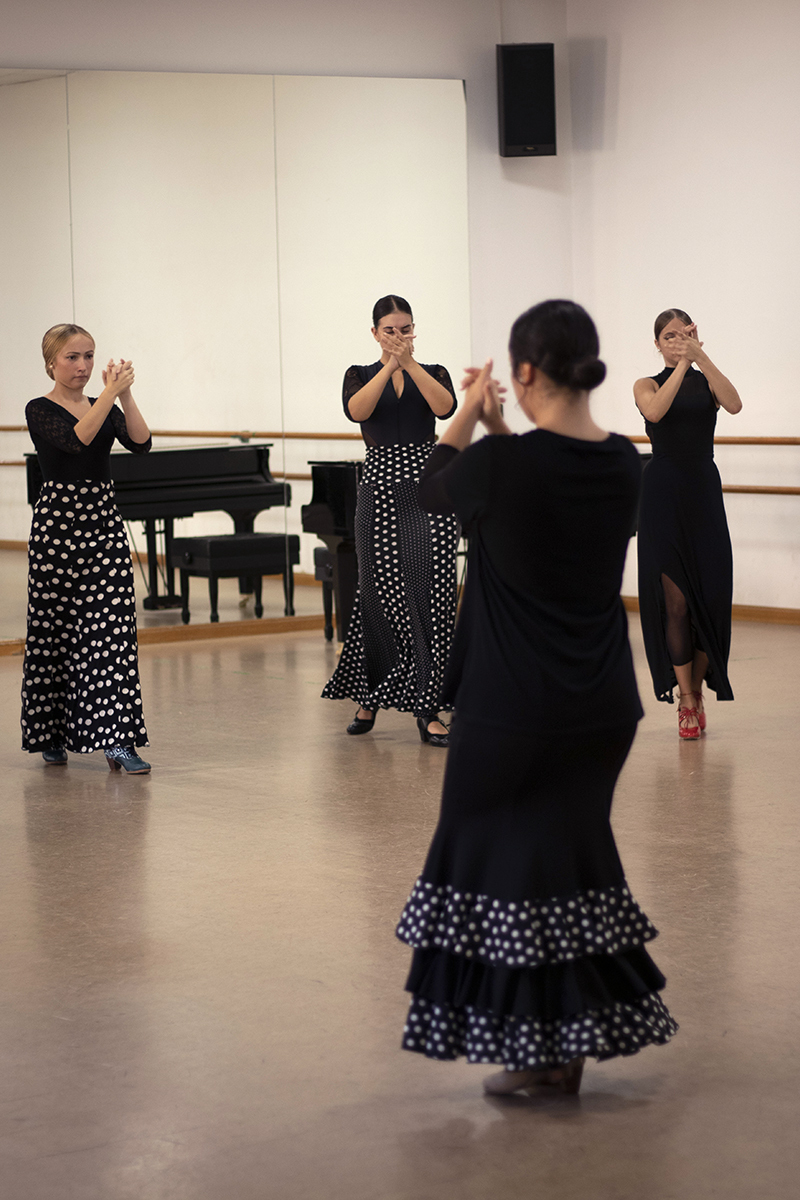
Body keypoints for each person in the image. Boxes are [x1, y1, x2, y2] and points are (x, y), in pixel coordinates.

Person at [396, 300, 678, 1096]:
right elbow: (539, 490)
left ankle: (534, 1051)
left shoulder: (500, 464)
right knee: (566, 866)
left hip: (513, 709)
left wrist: (469, 414)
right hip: (600, 706)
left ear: (522, 372)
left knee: (498, 869)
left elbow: (429, 491)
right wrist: (499, 427)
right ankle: (561, 1048)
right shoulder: (623, 462)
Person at [321, 295, 459, 746]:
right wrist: (389, 365)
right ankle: (369, 697)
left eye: (406, 329)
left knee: (432, 593)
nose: (400, 337)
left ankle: (429, 706)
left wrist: (410, 364)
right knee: (377, 593)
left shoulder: (434, 371)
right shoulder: (359, 374)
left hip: (428, 485)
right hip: (379, 486)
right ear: (375, 332)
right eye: (390, 331)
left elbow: (445, 409)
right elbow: (357, 412)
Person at [21, 323, 152, 773]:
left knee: (112, 633)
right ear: (51, 363)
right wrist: (109, 396)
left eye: (89, 356)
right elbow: (76, 441)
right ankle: (52, 732)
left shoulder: (105, 404)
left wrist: (124, 395)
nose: (83, 366)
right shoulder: (39, 408)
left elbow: (141, 443)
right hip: (57, 526)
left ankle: (118, 740)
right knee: (55, 631)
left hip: (102, 522)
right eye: (72, 357)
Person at [634, 309, 742, 739]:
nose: (677, 340)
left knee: (711, 597)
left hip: (703, 492)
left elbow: (734, 404)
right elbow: (656, 413)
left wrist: (701, 357)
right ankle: (687, 700)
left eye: (685, 334)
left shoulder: (706, 380)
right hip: (662, 495)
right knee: (676, 602)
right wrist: (682, 364)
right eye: (669, 336)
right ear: (657, 343)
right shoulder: (646, 384)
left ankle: (696, 689)